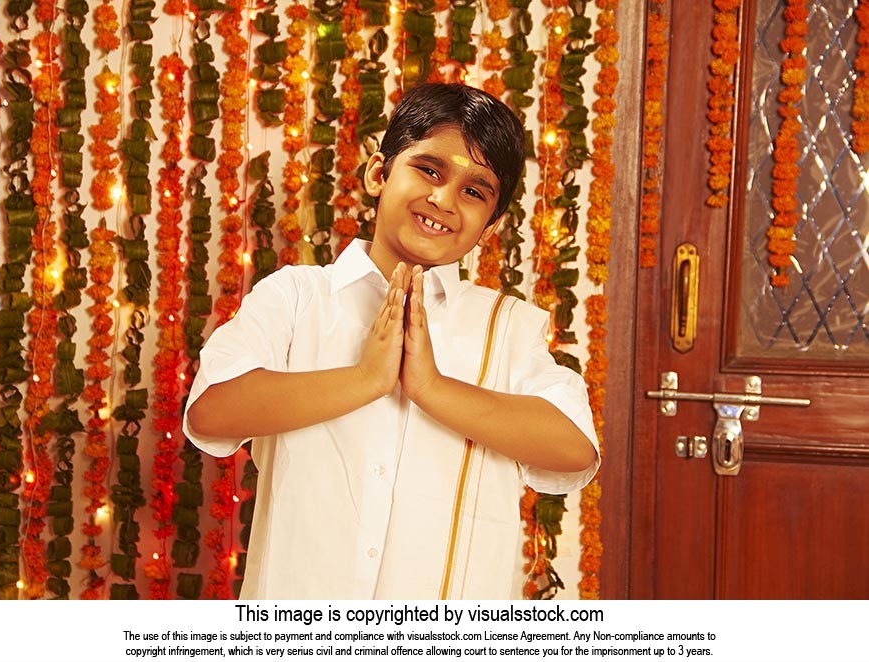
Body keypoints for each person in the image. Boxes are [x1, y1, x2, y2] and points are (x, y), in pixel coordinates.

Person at [183, 82, 600, 599]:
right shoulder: (297, 298)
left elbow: (574, 448)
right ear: (379, 173)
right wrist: (364, 380)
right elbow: (210, 411)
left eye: (474, 191)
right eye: (429, 169)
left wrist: (430, 388)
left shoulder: (508, 328)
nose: (443, 199)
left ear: (490, 228)